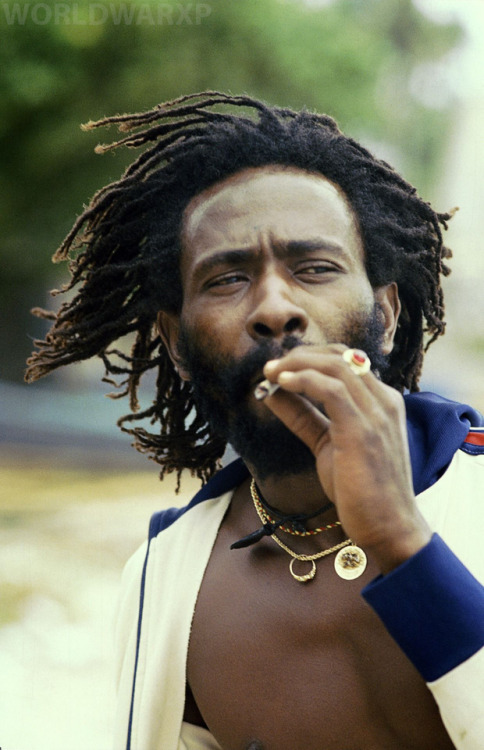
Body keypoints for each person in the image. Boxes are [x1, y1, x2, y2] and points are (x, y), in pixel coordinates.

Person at [26, 92, 484, 750]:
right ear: (177, 343)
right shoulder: (165, 578)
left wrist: (401, 540)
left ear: (384, 315)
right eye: (227, 278)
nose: (274, 307)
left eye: (315, 269)